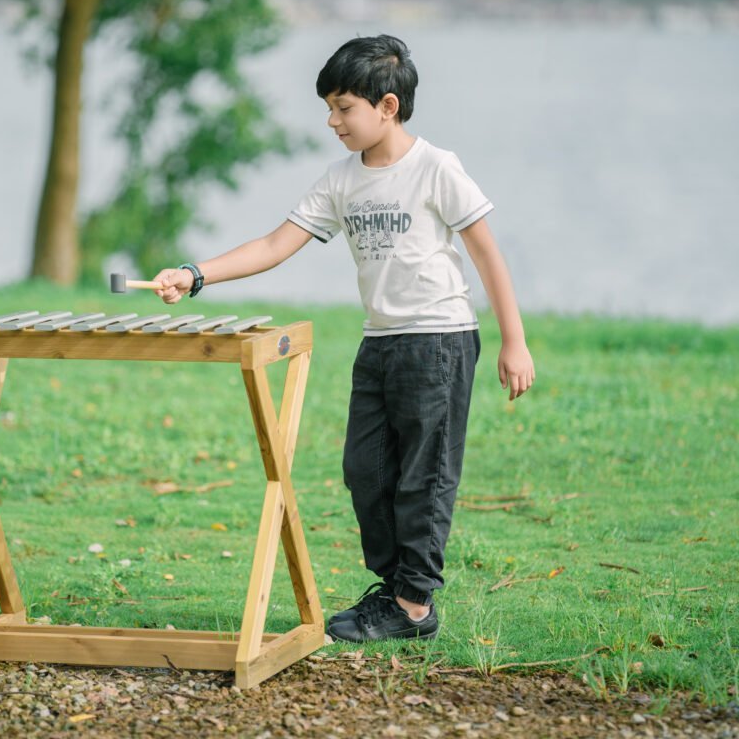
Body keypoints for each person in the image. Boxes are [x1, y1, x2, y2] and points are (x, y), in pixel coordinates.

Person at [150, 34, 535, 642]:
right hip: (379, 341)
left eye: (343, 107)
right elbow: (276, 245)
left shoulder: (437, 168)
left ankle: (413, 606)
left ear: (387, 106)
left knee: (424, 476)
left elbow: (487, 254)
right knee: (366, 470)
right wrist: (196, 274)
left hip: (439, 339)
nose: (332, 121)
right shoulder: (340, 180)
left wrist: (514, 342)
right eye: (328, 107)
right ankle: (394, 587)